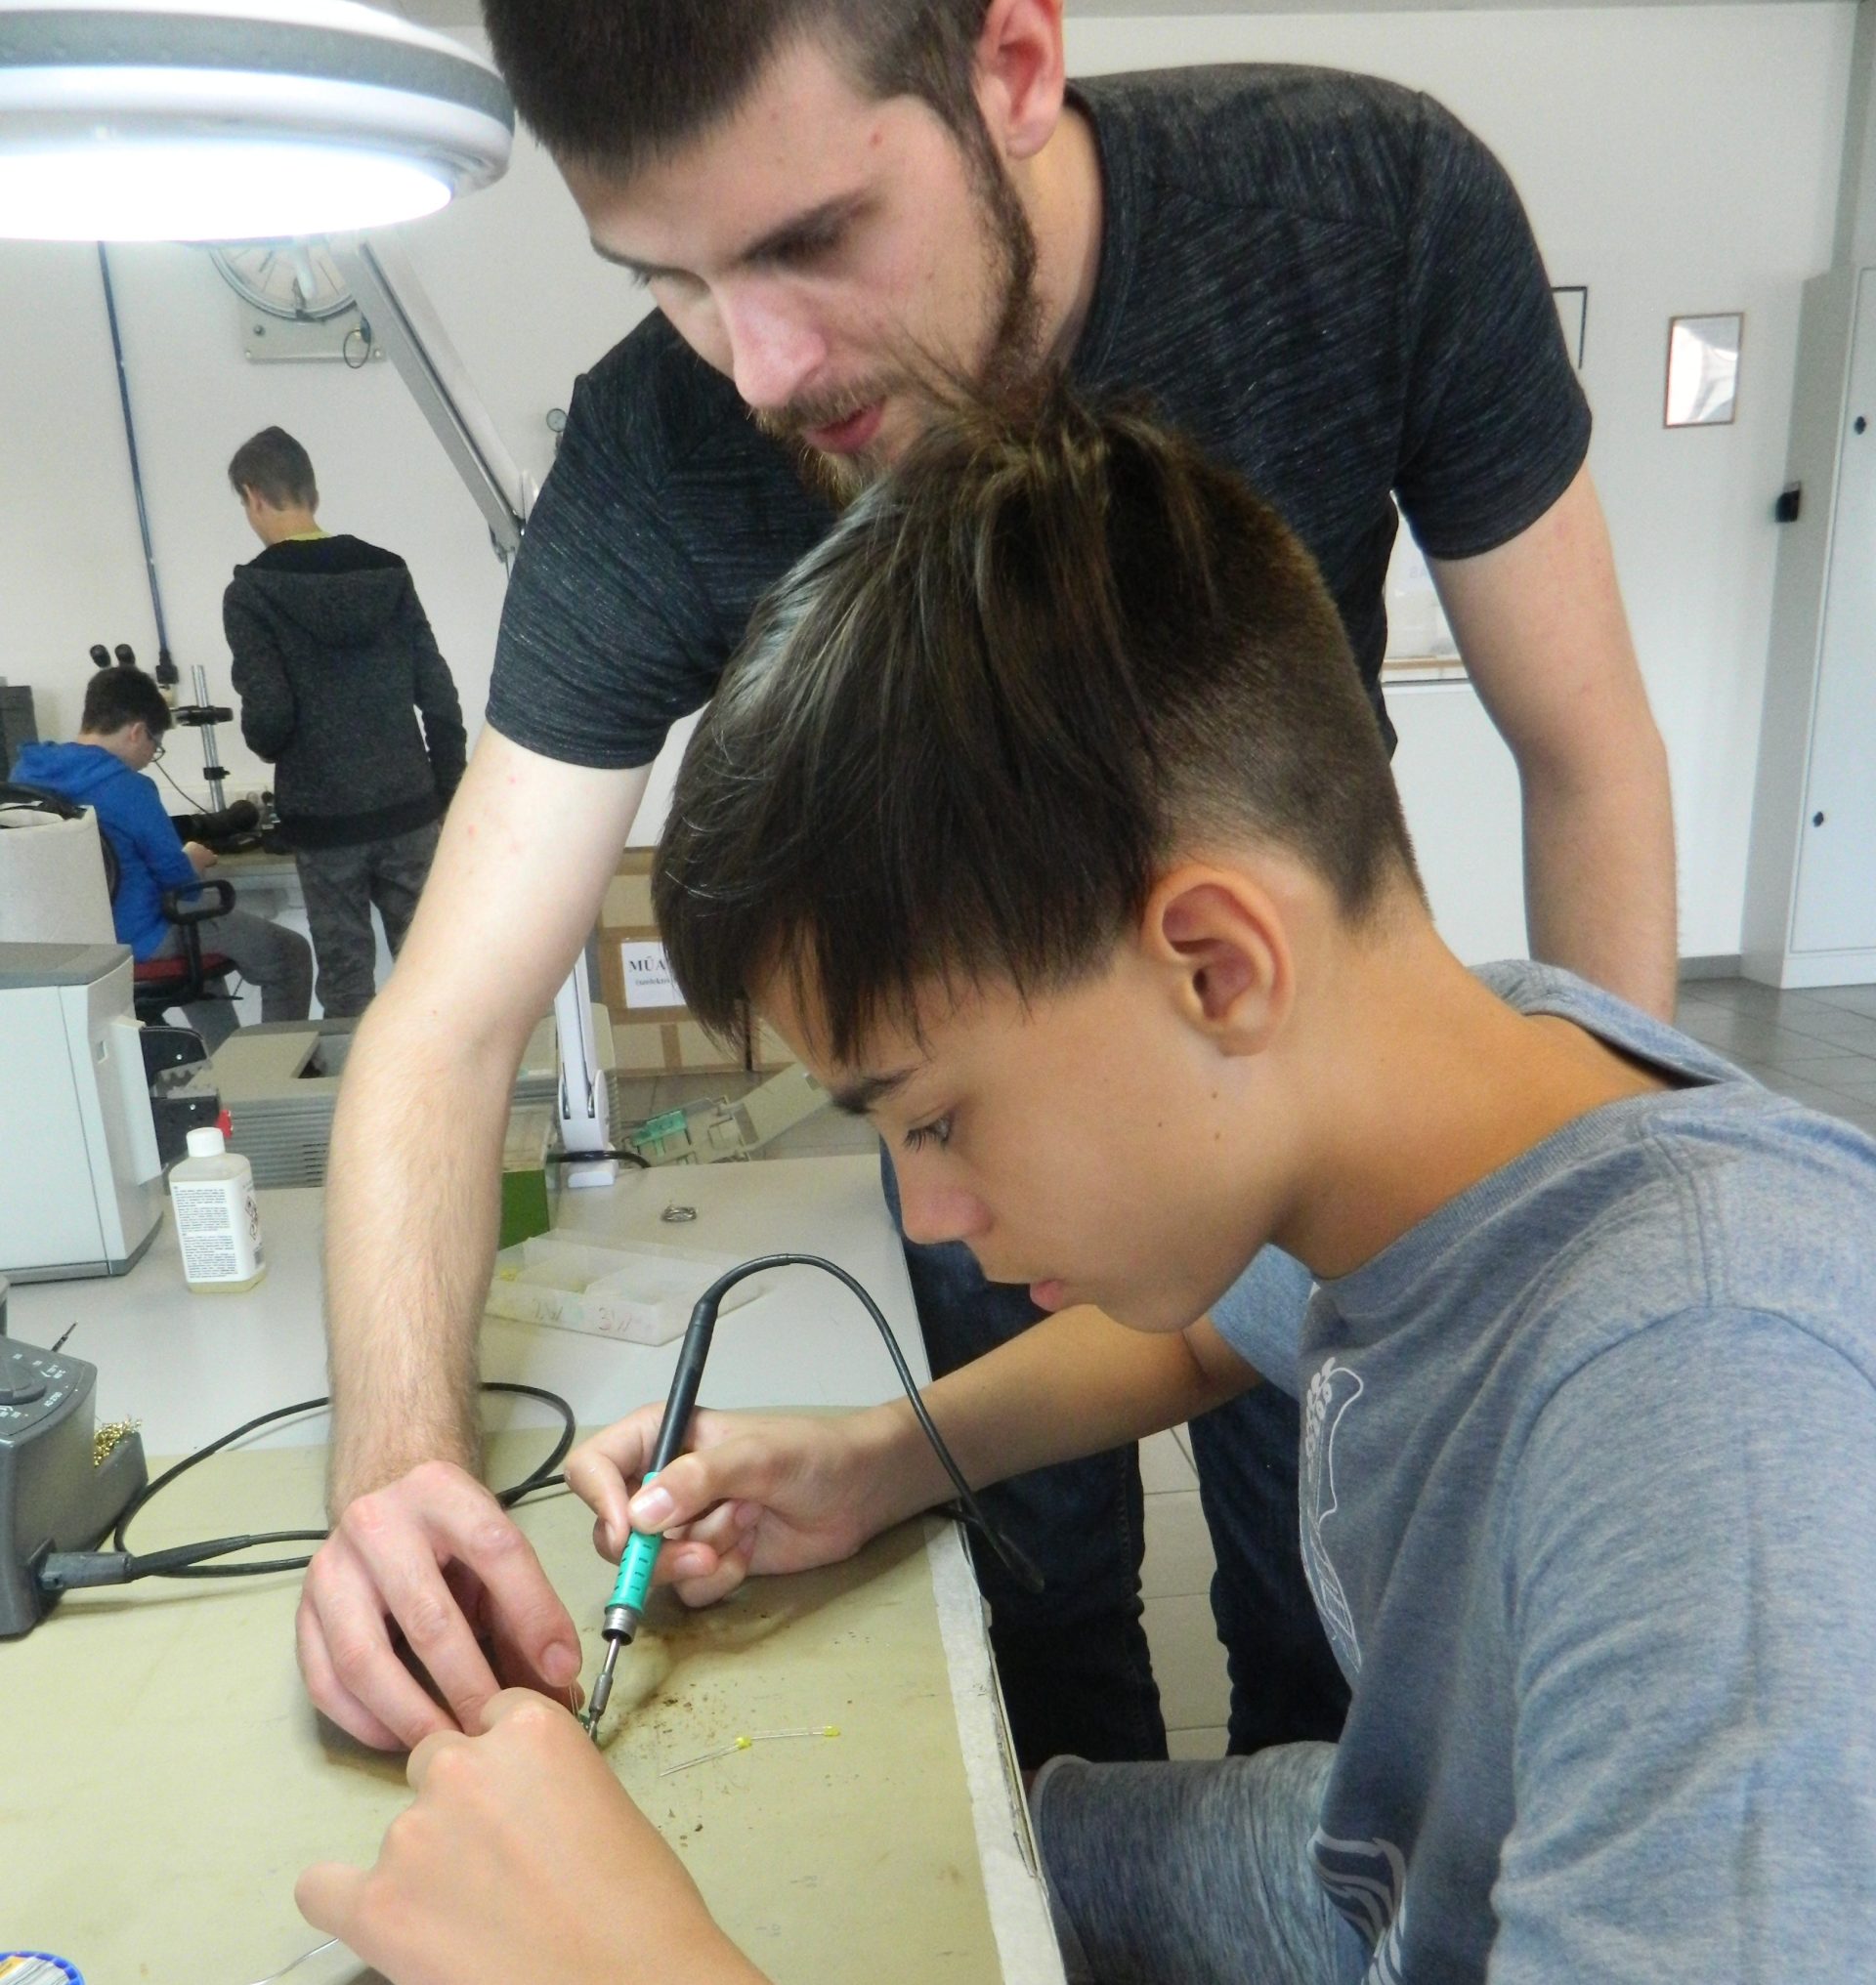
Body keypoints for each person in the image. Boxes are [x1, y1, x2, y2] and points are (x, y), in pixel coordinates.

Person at [298, 401, 1876, 1985]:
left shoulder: (1714, 1410)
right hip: (1417, 1902)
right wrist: (880, 1454)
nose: (935, 1215)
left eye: (935, 1115)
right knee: (995, 1870)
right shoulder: (1456, 1091)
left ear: (1213, 960)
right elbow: (1216, 1330)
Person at [296, 0, 1677, 1768]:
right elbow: (448, 1017)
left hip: (1308, 1108)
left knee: (1339, 1619)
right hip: (1083, 1110)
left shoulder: (1362, 213)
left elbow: (1588, 754)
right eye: (669, 278)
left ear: (1012, 67)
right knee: (1034, 1603)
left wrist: (1575, 1267)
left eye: (814, 238)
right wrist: (399, 1483)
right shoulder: (660, 445)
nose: (760, 370)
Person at [224, 426, 465, 1019]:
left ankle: (357, 1080)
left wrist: (265, 737)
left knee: (348, 984)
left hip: (324, 820)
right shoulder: (388, 572)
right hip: (409, 807)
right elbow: (438, 693)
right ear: (312, 492)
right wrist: (445, 791)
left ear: (253, 496)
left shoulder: (252, 592)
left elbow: (270, 718)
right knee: (435, 972)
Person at [13, 665, 311, 1047]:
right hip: (141, 934)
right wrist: (193, 861)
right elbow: (178, 881)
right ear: (136, 731)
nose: (150, 756)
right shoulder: (128, 786)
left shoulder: (25, 776)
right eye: (155, 745)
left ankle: (227, 1061)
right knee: (289, 952)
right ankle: (274, 1067)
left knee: (202, 955)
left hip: (66, 944)